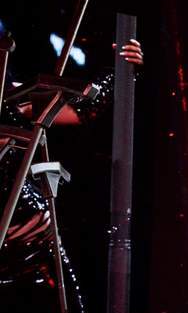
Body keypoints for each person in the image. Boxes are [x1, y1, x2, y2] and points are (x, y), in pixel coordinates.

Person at [0, 37, 143, 299]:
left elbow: (84, 108)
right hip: (6, 241)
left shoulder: (10, 97)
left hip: (35, 244)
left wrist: (120, 66)